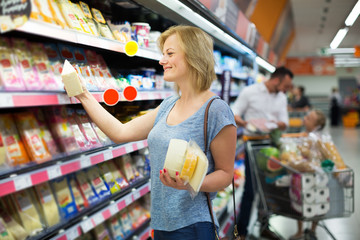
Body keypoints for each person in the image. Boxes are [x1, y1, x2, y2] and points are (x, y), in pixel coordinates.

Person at [69, 25, 237, 240]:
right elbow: (120, 132)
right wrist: (83, 94)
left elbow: (225, 174)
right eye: (162, 54)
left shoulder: (216, 109)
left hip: (193, 225)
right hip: (161, 223)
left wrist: (192, 183)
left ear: (193, 55)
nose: (161, 60)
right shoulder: (168, 105)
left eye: (170, 54)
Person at [232, 66, 294, 240]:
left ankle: (264, 226)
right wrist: (246, 124)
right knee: (250, 190)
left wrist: (276, 124)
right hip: (252, 144)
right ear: (276, 79)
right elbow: (235, 112)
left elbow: (285, 122)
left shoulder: (281, 98)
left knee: (269, 188)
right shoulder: (250, 92)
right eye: (285, 86)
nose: (286, 90)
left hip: (271, 144)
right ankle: (242, 232)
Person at [290, 109, 326, 240]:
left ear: (317, 125)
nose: (305, 118)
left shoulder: (316, 139)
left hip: (311, 175)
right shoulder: (305, 136)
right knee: (305, 202)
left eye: (309, 118)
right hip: (305, 175)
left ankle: (308, 230)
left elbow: (318, 156)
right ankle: (305, 230)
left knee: (312, 201)